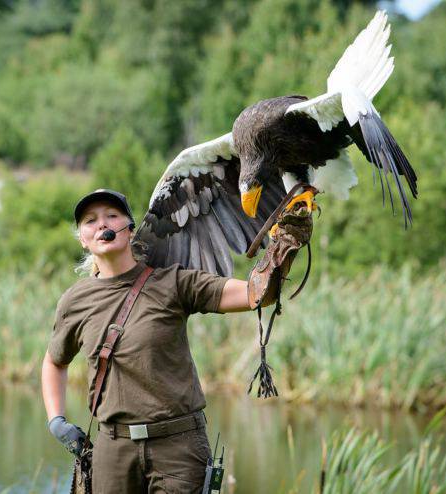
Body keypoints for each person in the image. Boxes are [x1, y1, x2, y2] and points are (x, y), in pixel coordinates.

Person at [41, 188, 303, 493]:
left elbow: (255, 295)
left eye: (111, 216)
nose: (102, 224)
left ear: (129, 229)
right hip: (113, 449)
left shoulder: (173, 283)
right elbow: (53, 361)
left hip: (178, 447)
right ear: (83, 239)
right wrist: (56, 420)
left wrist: (283, 248)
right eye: (90, 220)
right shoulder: (76, 301)